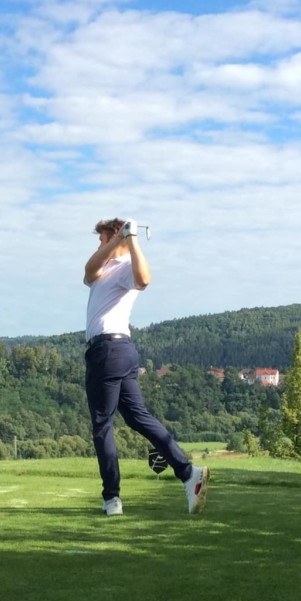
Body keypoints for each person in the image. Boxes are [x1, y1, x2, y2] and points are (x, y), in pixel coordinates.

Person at [82, 217, 208, 516]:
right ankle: (188, 473)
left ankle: (112, 498)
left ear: (116, 237)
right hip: (120, 352)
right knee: (138, 417)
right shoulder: (102, 268)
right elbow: (88, 269)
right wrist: (118, 239)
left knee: (102, 426)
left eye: (103, 238)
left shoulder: (127, 267)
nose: (99, 244)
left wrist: (131, 238)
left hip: (108, 350)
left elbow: (144, 280)